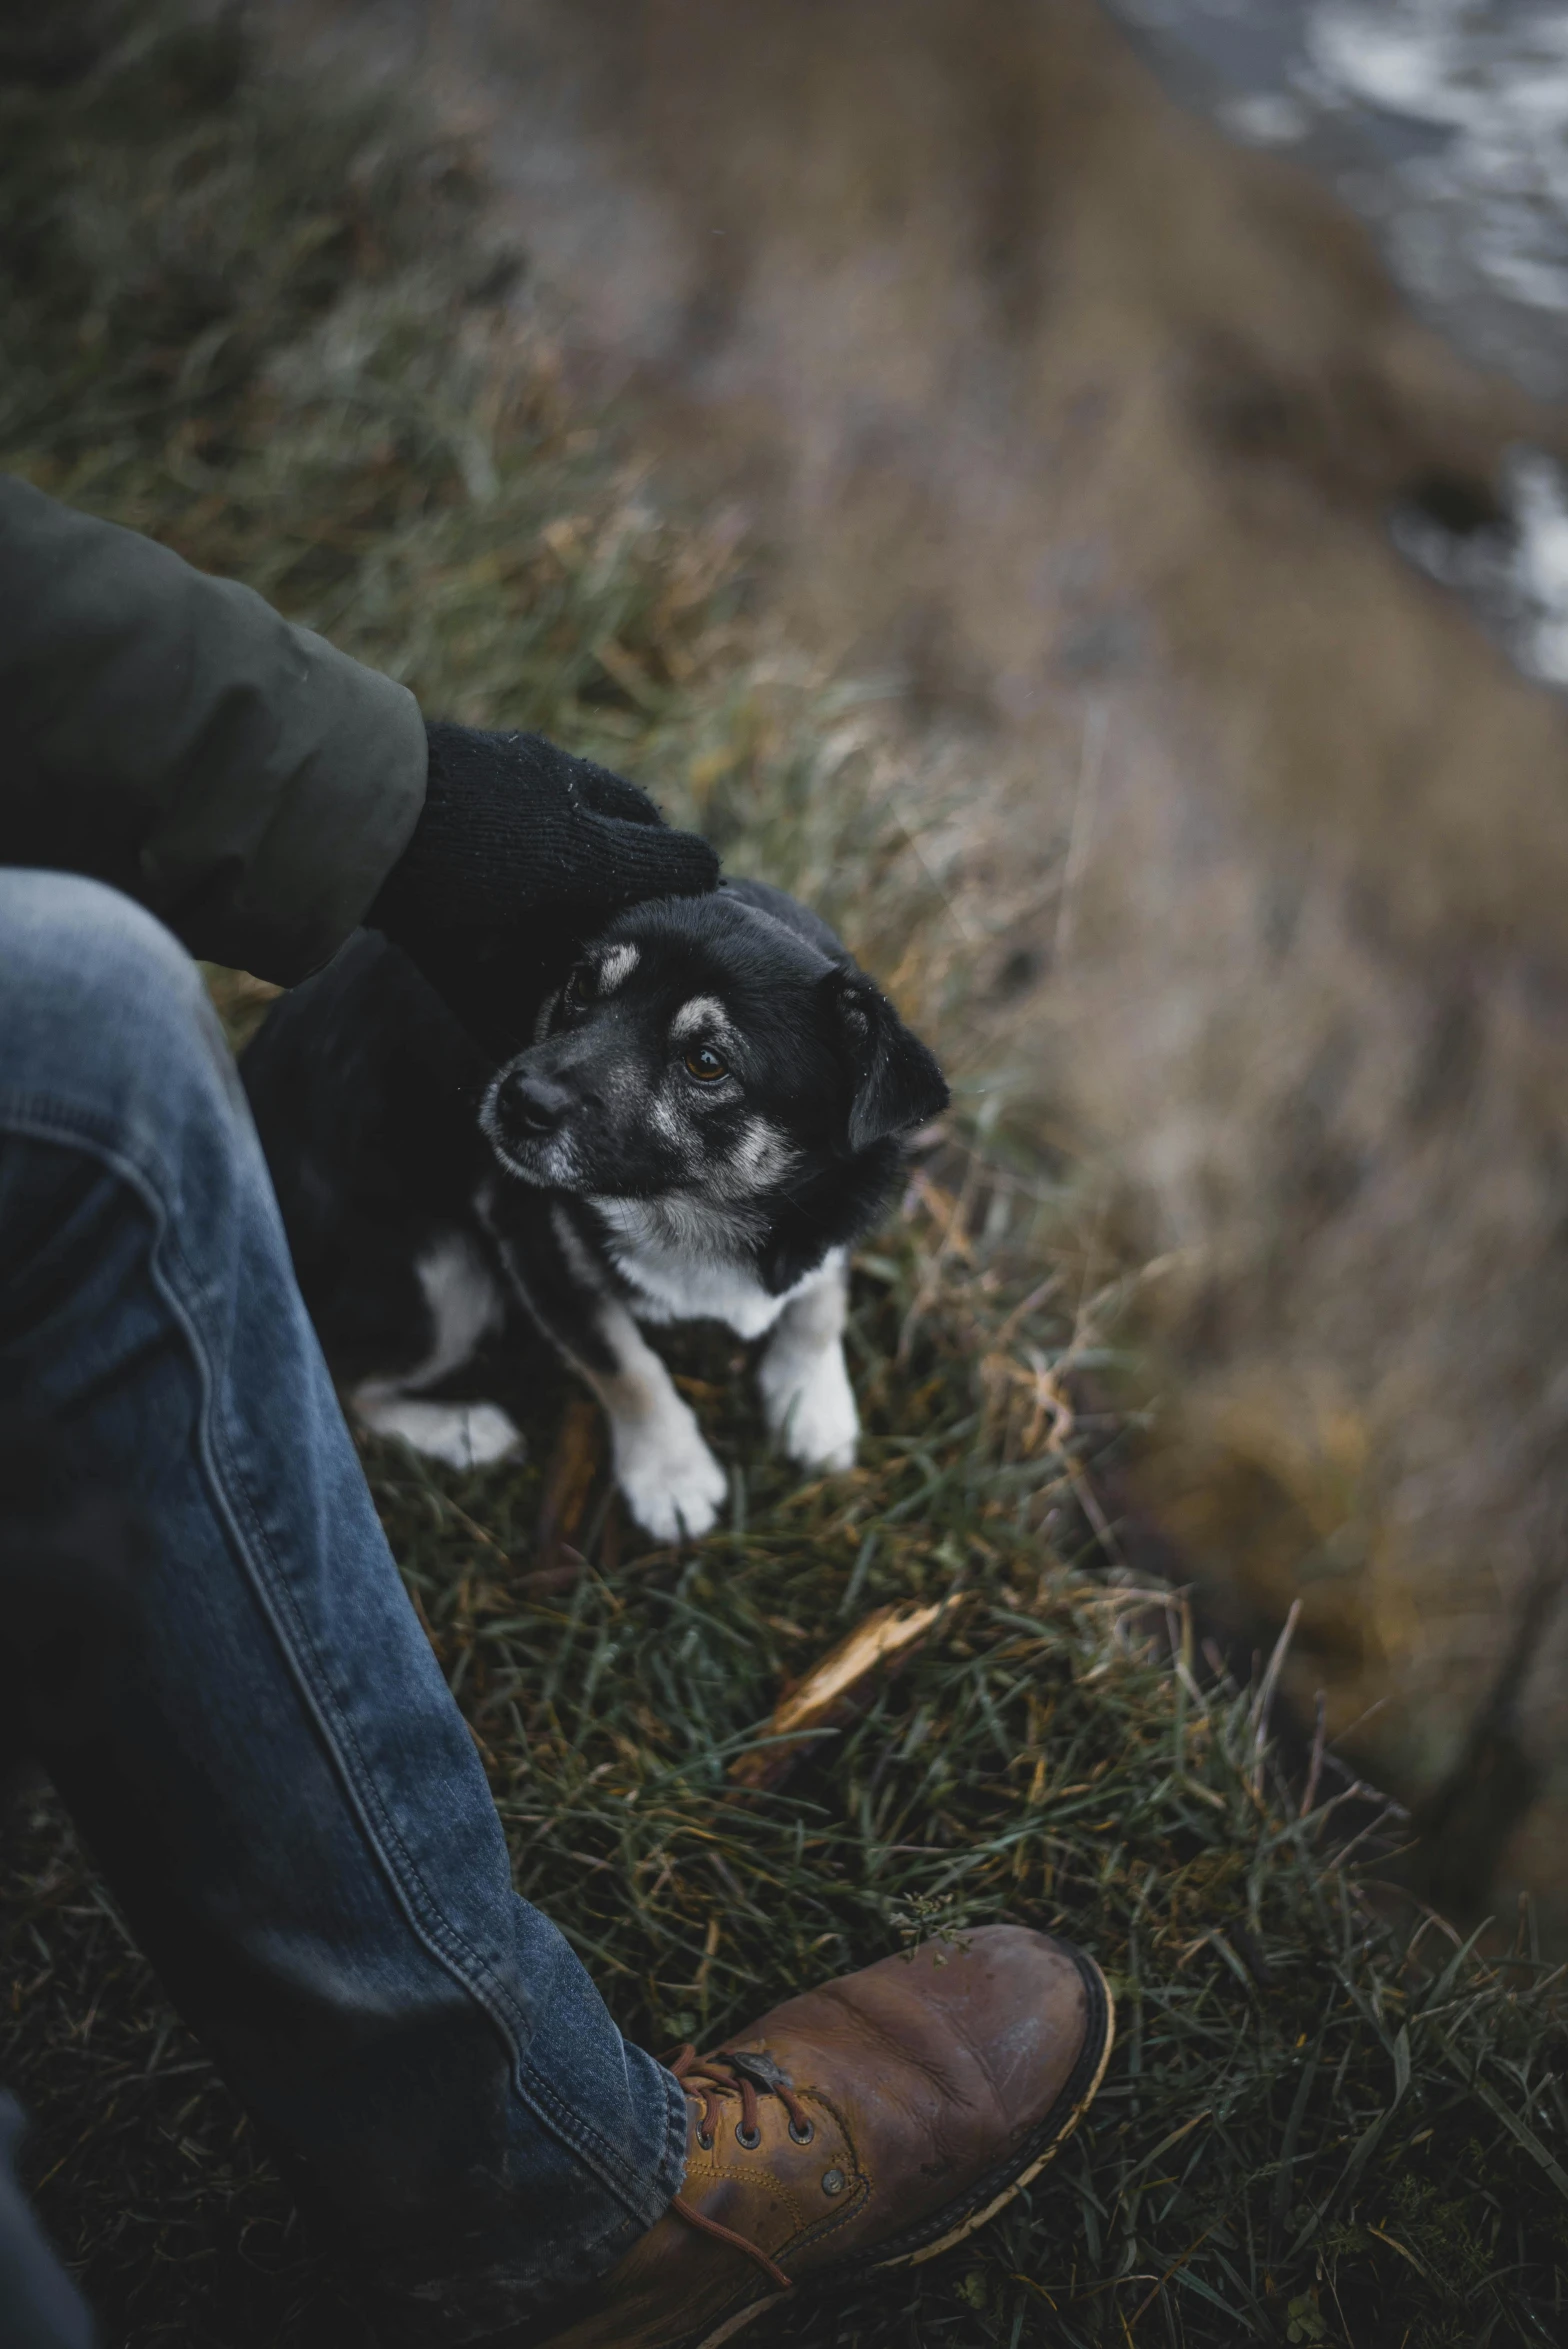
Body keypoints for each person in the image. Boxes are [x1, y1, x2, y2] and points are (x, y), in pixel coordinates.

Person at [0, 473, 1112, 2349]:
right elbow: (546, 1236)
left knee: (107, 1016)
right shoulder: (549, 1149)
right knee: (178, 1095)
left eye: (684, 1070)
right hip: (354, 1219)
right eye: (594, 1008)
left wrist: (399, 803)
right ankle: (567, 2210)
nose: (557, 1077)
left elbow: (811, 1211)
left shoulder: (841, 1110)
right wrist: (641, 1405)